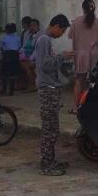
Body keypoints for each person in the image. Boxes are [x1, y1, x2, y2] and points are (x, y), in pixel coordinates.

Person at [33, 14, 72, 176]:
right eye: (61, 31)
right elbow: (46, 65)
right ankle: (46, 164)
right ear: (55, 26)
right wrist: (62, 57)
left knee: (53, 127)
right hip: (47, 88)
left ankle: (51, 160)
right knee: (50, 128)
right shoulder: (44, 40)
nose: (61, 34)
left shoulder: (45, 39)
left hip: (51, 87)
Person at [68, 0, 98, 112]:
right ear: (94, 8)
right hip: (95, 55)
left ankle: (76, 107)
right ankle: (94, 106)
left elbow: (72, 37)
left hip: (80, 56)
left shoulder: (76, 22)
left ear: (83, 8)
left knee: (79, 81)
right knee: (95, 81)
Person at [0, 22, 21, 96]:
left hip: (7, 54)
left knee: (4, 73)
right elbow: (19, 47)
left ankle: (4, 89)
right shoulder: (17, 37)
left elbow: (1, 47)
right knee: (12, 74)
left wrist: (3, 54)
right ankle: (11, 91)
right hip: (14, 55)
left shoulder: (3, 37)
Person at [19, 17, 38, 91]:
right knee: (22, 64)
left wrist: (30, 58)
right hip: (27, 56)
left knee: (27, 66)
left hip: (35, 57)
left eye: (33, 26)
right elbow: (24, 45)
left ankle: (32, 84)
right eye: (31, 26)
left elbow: (36, 50)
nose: (32, 28)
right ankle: (29, 83)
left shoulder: (39, 36)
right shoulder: (28, 35)